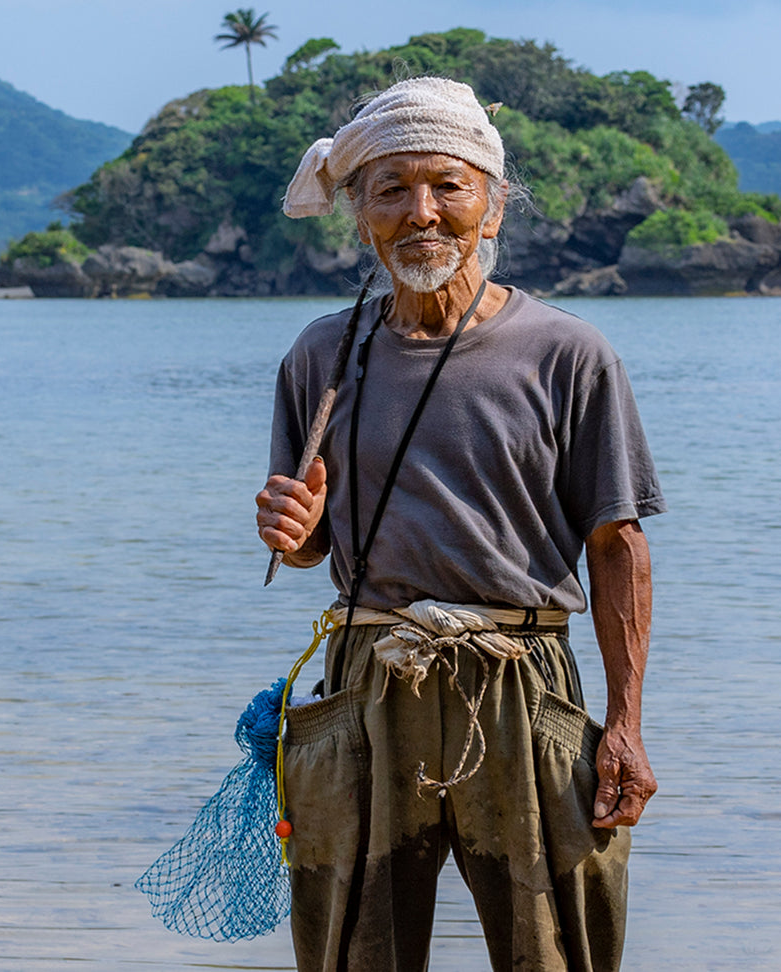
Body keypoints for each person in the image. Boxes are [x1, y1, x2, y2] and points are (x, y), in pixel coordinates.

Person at [254, 76, 663, 972]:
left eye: (448, 185)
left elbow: (616, 544)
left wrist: (626, 723)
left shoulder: (568, 353)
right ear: (359, 212)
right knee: (352, 950)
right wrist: (295, 528)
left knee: (556, 950)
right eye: (391, 190)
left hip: (521, 678)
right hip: (367, 679)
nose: (422, 213)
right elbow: (313, 540)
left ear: (493, 203)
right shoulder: (320, 356)